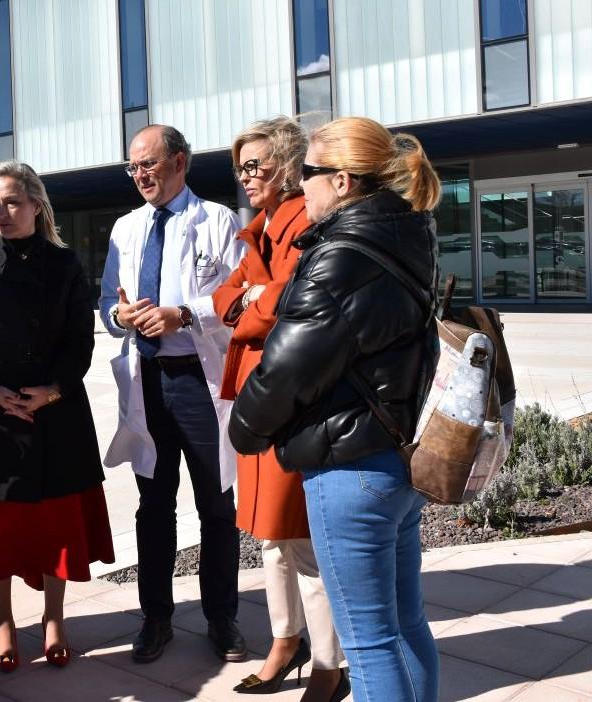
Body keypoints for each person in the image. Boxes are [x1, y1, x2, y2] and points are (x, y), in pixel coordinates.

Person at [228, 116, 442, 702]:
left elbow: (286, 369)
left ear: (343, 181)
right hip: (398, 457)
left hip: (350, 468)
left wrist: (244, 428)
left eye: (309, 172)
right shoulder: (408, 233)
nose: (301, 184)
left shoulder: (339, 256)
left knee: (369, 644)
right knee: (406, 625)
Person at [0, 161, 114, 672]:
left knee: (56, 523)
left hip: (56, 411)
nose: (3, 212)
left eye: (13, 202)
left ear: (37, 204)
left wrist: (52, 391)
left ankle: (54, 617)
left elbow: (80, 339)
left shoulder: (65, 264)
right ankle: (3, 622)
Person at [211, 117, 347, 701]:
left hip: (289, 396)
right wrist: (251, 298)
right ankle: (284, 642)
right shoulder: (262, 227)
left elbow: (284, 305)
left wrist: (252, 299)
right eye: (240, 168)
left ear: (289, 166)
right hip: (260, 397)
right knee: (270, 536)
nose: (245, 177)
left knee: (302, 538)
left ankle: (329, 665)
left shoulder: (304, 221)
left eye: (255, 165)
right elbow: (225, 298)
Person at [100, 124, 246, 663]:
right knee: (154, 505)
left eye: (149, 164)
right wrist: (121, 315)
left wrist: (182, 315)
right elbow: (107, 304)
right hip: (148, 380)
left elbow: (240, 299)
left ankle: (222, 618)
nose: (139, 175)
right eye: (132, 167)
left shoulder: (218, 220)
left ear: (179, 162)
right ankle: (156, 618)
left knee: (217, 504)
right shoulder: (126, 228)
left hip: (199, 383)